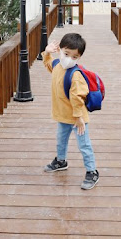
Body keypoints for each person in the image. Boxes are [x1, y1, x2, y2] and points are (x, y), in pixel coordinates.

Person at [41, 33, 99, 190]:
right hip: (63, 116)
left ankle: (92, 171)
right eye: (66, 54)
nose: (69, 59)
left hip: (78, 118)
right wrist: (47, 52)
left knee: (84, 145)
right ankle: (61, 161)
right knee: (61, 139)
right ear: (60, 50)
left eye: (74, 57)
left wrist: (79, 117)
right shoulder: (57, 66)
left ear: (79, 57)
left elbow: (78, 98)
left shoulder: (76, 75)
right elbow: (48, 64)